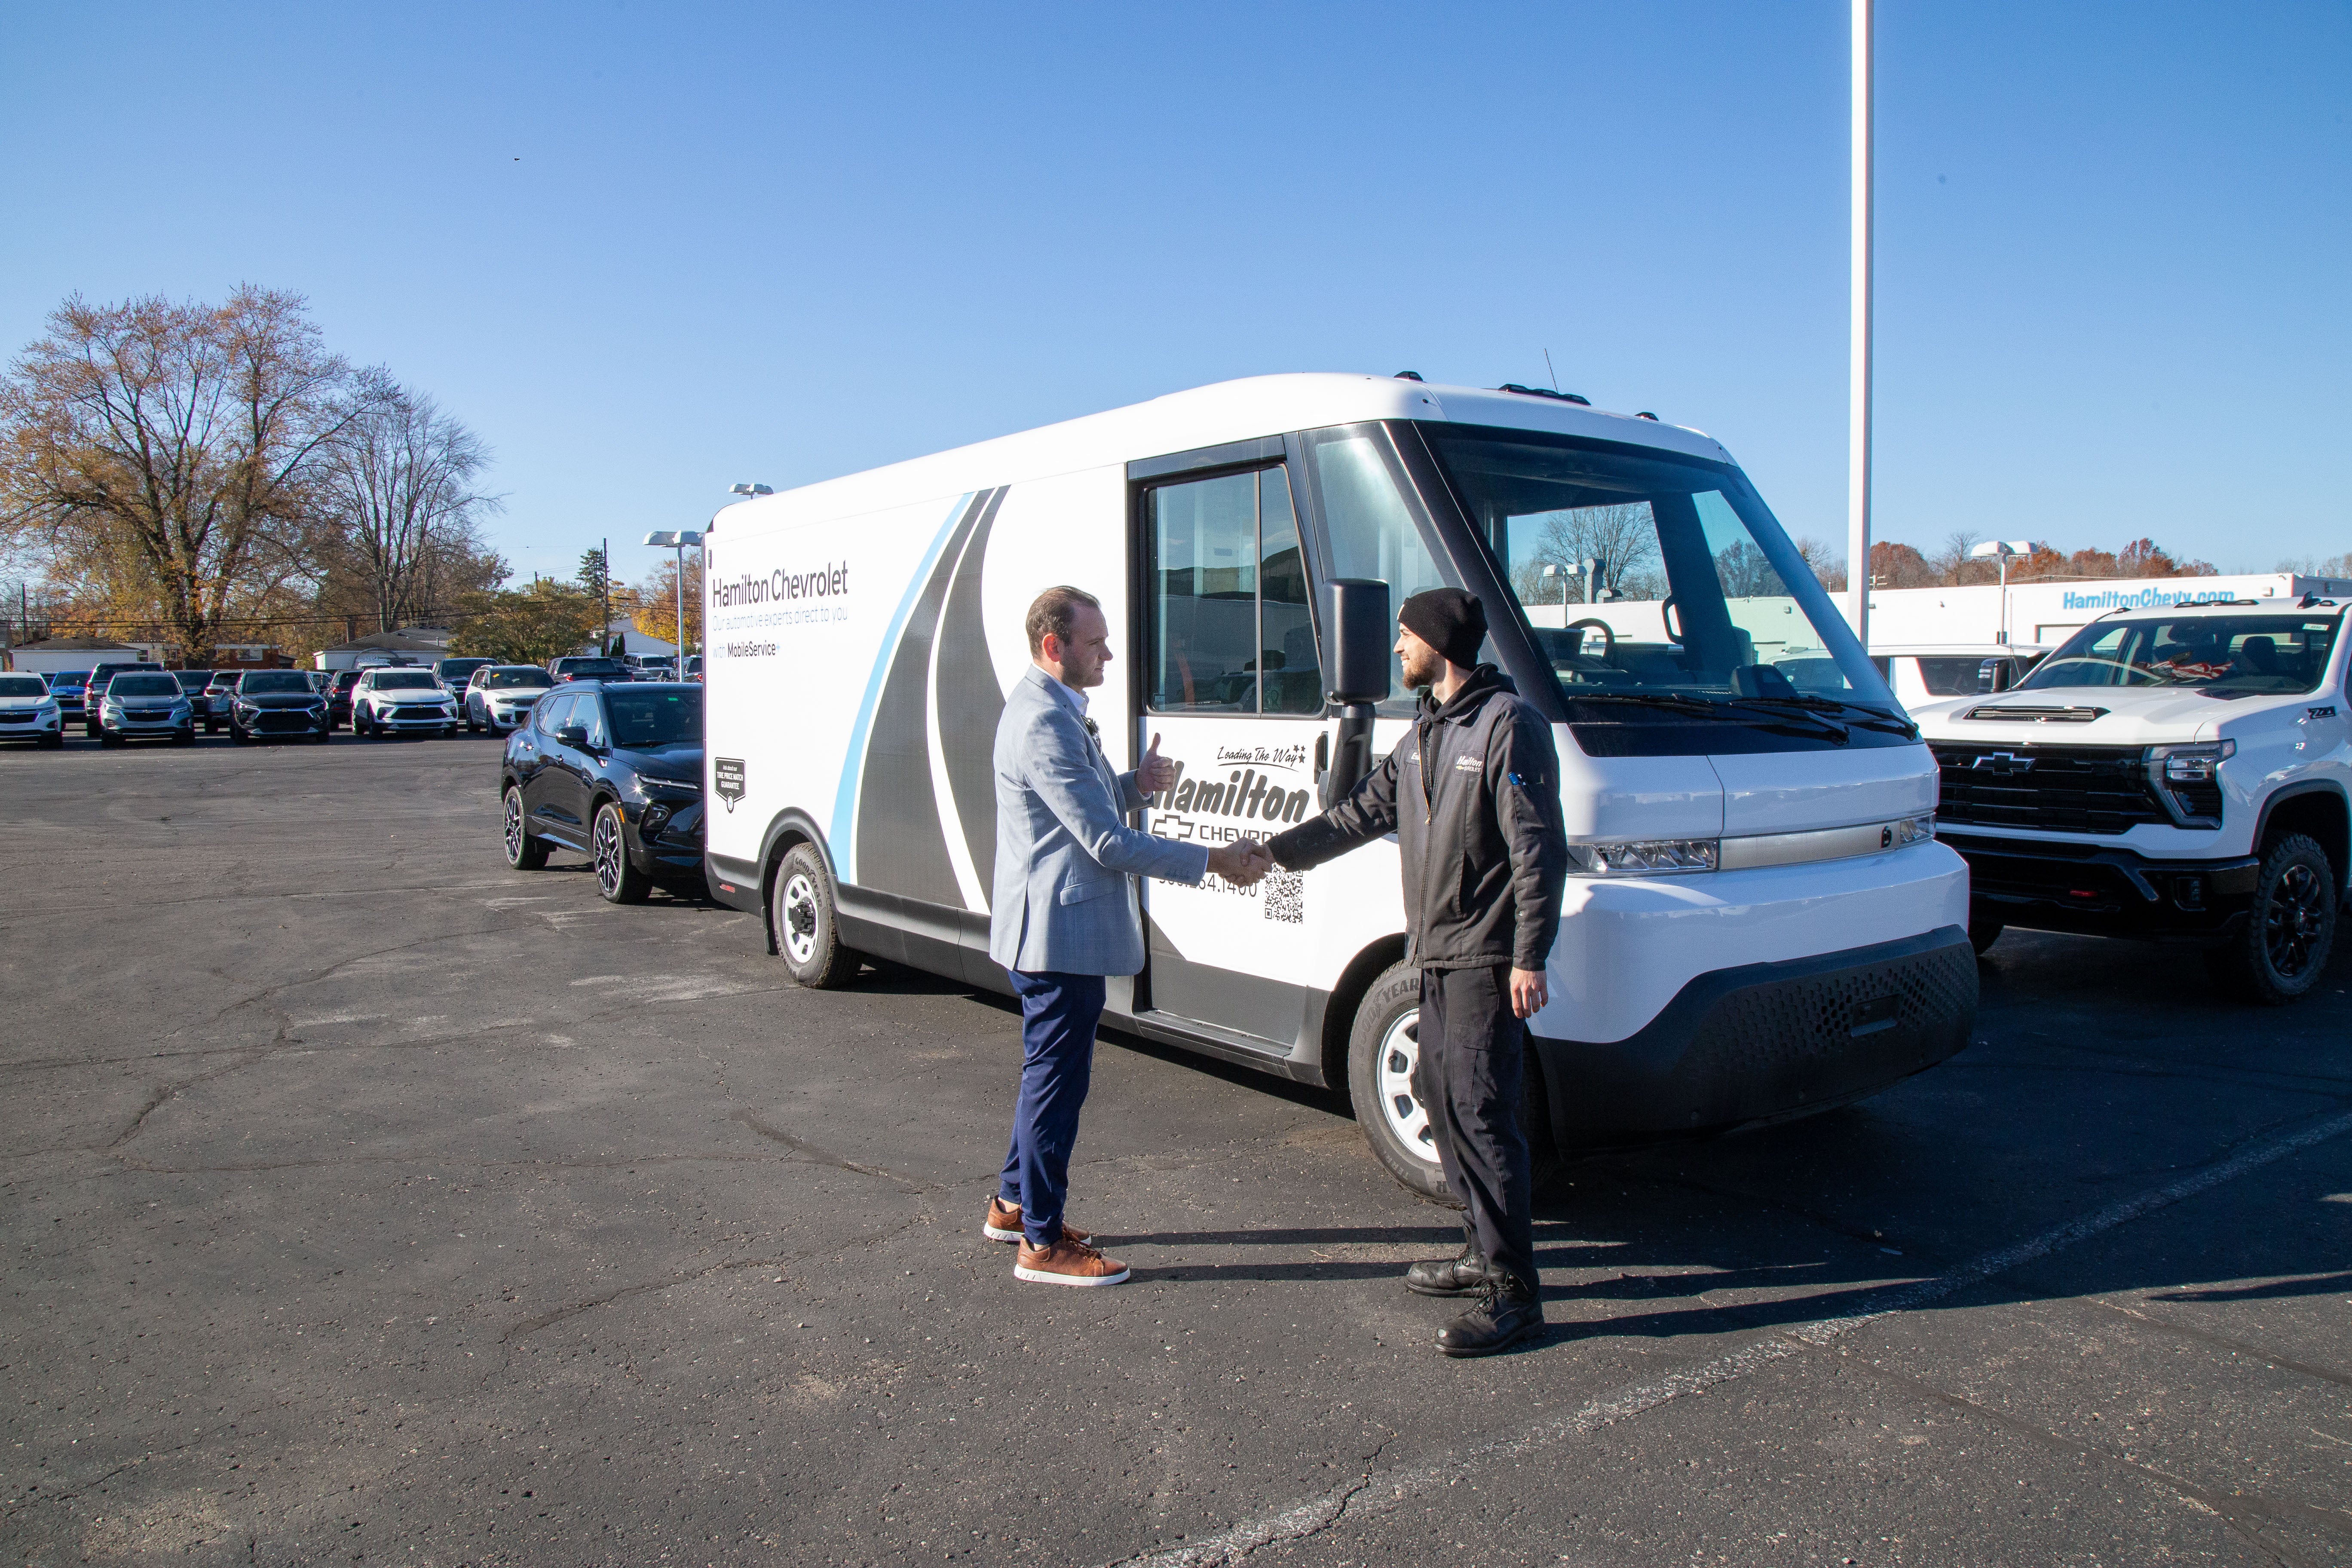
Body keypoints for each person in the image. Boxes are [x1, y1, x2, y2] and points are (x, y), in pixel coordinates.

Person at [1264, 588, 1567, 1356]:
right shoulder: (1425, 733)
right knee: (1439, 1096)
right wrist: (1274, 855)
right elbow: (1361, 812)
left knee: (1482, 1113)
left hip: (1485, 958)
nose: (1398, 648)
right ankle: (1479, 1250)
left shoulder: (1508, 727)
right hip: (1431, 954)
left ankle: (1515, 1294)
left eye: (1406, 636)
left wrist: (1531, 953)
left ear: (1440, 642)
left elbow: (1536, 849)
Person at [988, 585, 1273, 1286]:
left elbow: (1074, 805)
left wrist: (1135, 783)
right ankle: (1042, 1244)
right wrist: (1213, 862)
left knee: (1044, 1077)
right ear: (1055, 647)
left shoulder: (1049, 708)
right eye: (1096, 642)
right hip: (1057, 937)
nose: (1108, 652)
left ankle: (1014, 1203)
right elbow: (1103, 844)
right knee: (1056, 1085)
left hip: (1054, 930)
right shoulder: (1044, 722)